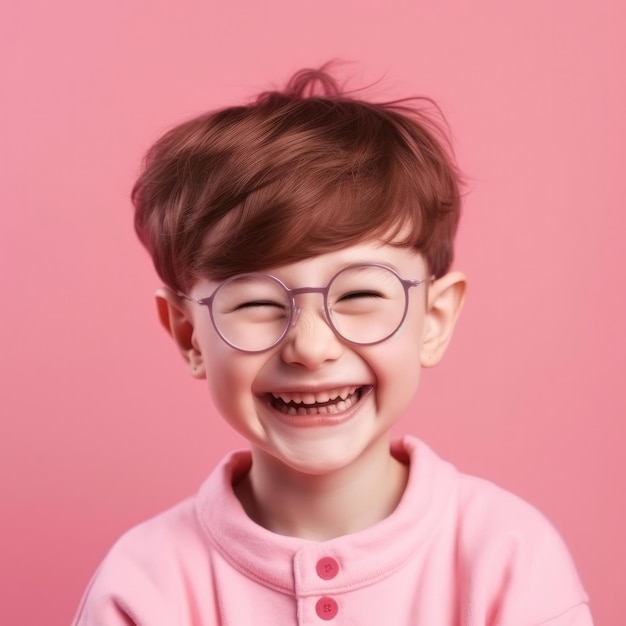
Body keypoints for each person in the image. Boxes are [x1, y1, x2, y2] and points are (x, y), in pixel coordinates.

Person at [73, 66, 593, 625]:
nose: (311, 347)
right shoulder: (143, 586)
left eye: (362, 293)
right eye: (254, 303)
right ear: (188, 333)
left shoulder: (509, 558)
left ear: (434, 318)